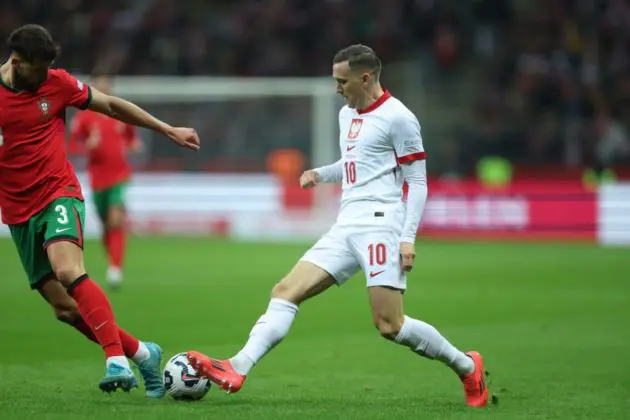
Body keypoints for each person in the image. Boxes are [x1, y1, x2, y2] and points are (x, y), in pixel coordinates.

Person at [187, 44, 488, 408]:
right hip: (346, 224)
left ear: (365, 78)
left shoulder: (399, 118)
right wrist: (321, 173)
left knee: (390, 325)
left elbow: (418, 181)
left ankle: (466, 365)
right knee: (285, 291)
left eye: (342, 81)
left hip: (381, 225)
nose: (336, 89)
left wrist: (408, 239)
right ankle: (237, 366)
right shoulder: (348, 114)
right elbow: (353, 163)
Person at [0, 24, 200, 396]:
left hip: (57, 192)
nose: (45, 78)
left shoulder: (56, 83)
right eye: (37, 71)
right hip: (17, 211)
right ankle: (142, 353)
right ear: (16, 62)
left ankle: (115, 361)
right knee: (66, 310)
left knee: (67, 269)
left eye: (48, 70)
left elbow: (108, 103)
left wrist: (166, 128)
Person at [69, 74, 142, 288]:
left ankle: (115, 270)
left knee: (116, 220)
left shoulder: (120, 111)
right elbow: (72, 147)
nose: (103, 88)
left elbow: (130, 136)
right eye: (99, 85)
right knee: (106, 225)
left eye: (106, 85)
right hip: (97, 179)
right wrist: (87, 147)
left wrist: (133, 144)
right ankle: (113, 261)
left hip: (120, 175)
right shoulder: (84, 117)